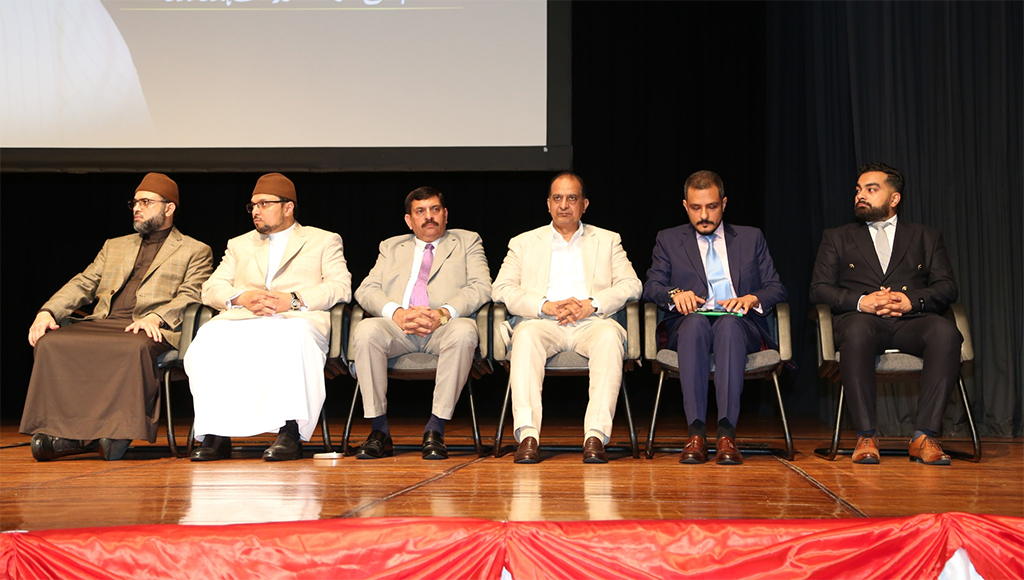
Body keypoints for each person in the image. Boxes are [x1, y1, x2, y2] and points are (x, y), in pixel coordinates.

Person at [22, 173, 213, 461]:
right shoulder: (115, 245)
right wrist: (48, 311)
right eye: (134, 202)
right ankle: (61, 432)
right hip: (104, 322)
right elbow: (83, 283)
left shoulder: (194, 250)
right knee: (52, 342)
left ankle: (117, 432)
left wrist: (157, 318)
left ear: (169, 208)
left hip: (150, 329)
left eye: (146, 202)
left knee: (133, 346)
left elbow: (191, 294)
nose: (137, 208)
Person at [184, 173, 352, 462]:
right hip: (245, 317)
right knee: (208, 338)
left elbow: (341, 286)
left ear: (288, 207)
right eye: (252, 206)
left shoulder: (323, 240)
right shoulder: (239, 244)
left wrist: (295, 299)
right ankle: (216, 434)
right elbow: (211, 287)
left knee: (291, 336)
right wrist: (242, 297)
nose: (256, 211)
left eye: (263, 204)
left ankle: (290, 431)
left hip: (297, 319)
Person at [810, 162, 962, 465]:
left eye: (871, 189)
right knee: (856, 332)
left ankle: (923, 436)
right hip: (861, 321)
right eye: (858, 190)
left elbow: (947, 287)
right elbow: (819, 290)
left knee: (946, 332)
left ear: (894, 198)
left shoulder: (925, 236)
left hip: (910, 321)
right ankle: (866, 435)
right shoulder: (837, 237)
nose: (860, 196)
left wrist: (911, 301)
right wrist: (860, 301)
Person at [492, 172, 642, 464]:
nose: (564, 205)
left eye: (572, 198)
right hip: (543, 323)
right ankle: (528, 436)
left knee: (610, 337)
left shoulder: (608, 240)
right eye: (558, 198)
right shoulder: (524, 242)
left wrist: (593, 303)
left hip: (592, 323)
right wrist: (544, 305)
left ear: (584, 204)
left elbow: (632, 284)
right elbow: (501, 288)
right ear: (548, 204)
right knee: (524, 336)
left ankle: (596, 437)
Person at [643, 170, 787, 465]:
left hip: (739, 324)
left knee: (729, 325)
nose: (704, 215)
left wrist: (752, 298)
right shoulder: (669, 240)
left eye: (711, 207)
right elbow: (651, 286)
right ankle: (696, 434)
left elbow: (776, 287)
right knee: (696, 324)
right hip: (689, 323)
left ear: (724, 203)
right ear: (685, 206)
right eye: (696, 208)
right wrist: (674, 294)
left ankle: (726, 434)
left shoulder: (750, 237)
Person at [351, 186, 491, 460]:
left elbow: (481, 286)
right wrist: (396, 313)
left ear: (445, 214)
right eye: (420, 211)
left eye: (435, 210)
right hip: (399, 327)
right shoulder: (390, 246)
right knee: (366, 330)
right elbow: (365, 289)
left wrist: (443, 313)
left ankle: (435, 428)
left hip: (443, 327)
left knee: (464, 332)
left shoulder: (467, 241)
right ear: (409, 220)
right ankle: (379, 430)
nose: (429, 217)